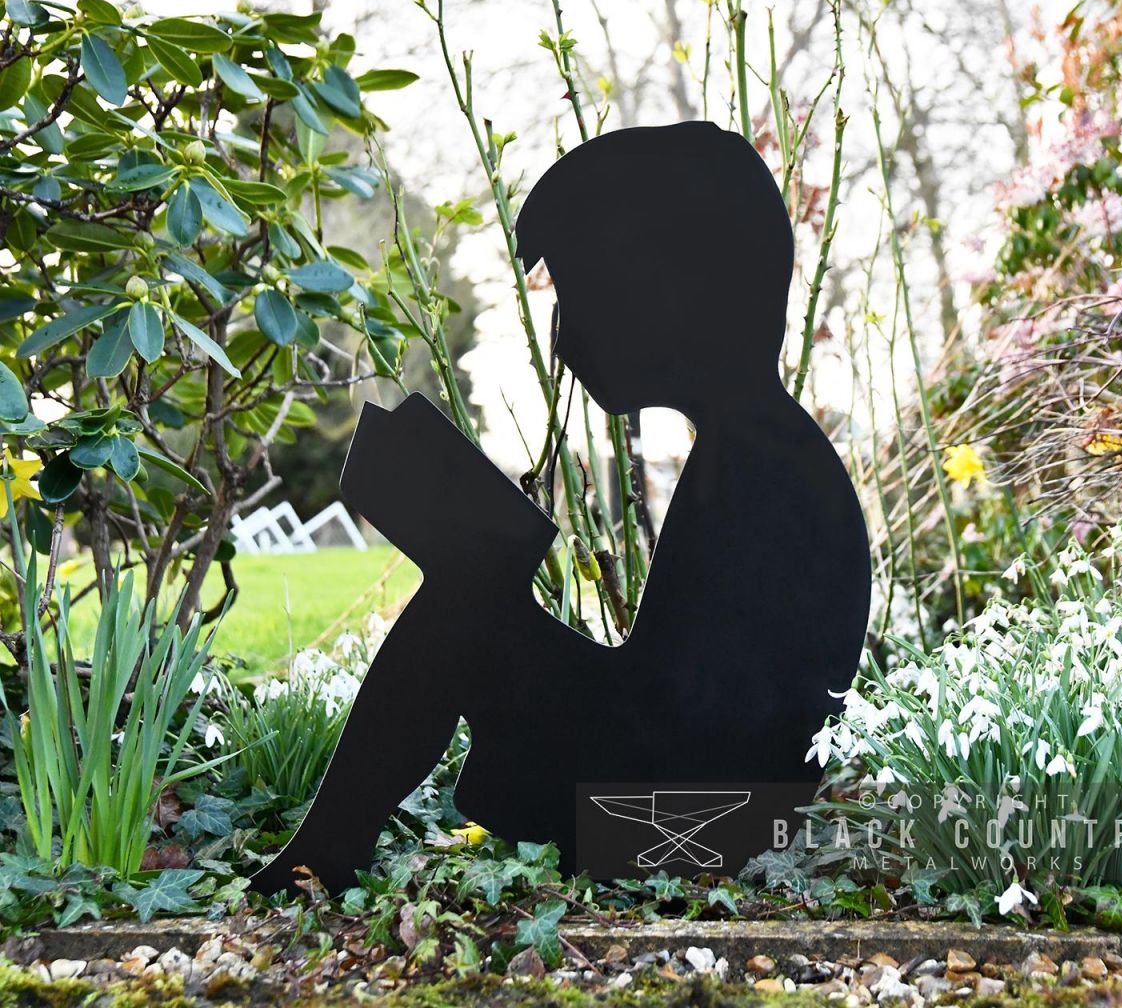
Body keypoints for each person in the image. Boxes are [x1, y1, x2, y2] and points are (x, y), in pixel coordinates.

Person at [250, 121, 870, 896]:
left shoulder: (767, 473)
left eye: (582, 296)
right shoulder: (759, 452)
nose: (566, 338)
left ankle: (323, 858)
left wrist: (478, 564)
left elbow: (683, 722)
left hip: (686, 826)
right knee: (472, 590)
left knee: (466, 608)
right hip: (697, 805)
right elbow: (674, 698)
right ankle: (326, 853)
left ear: (674, 296)